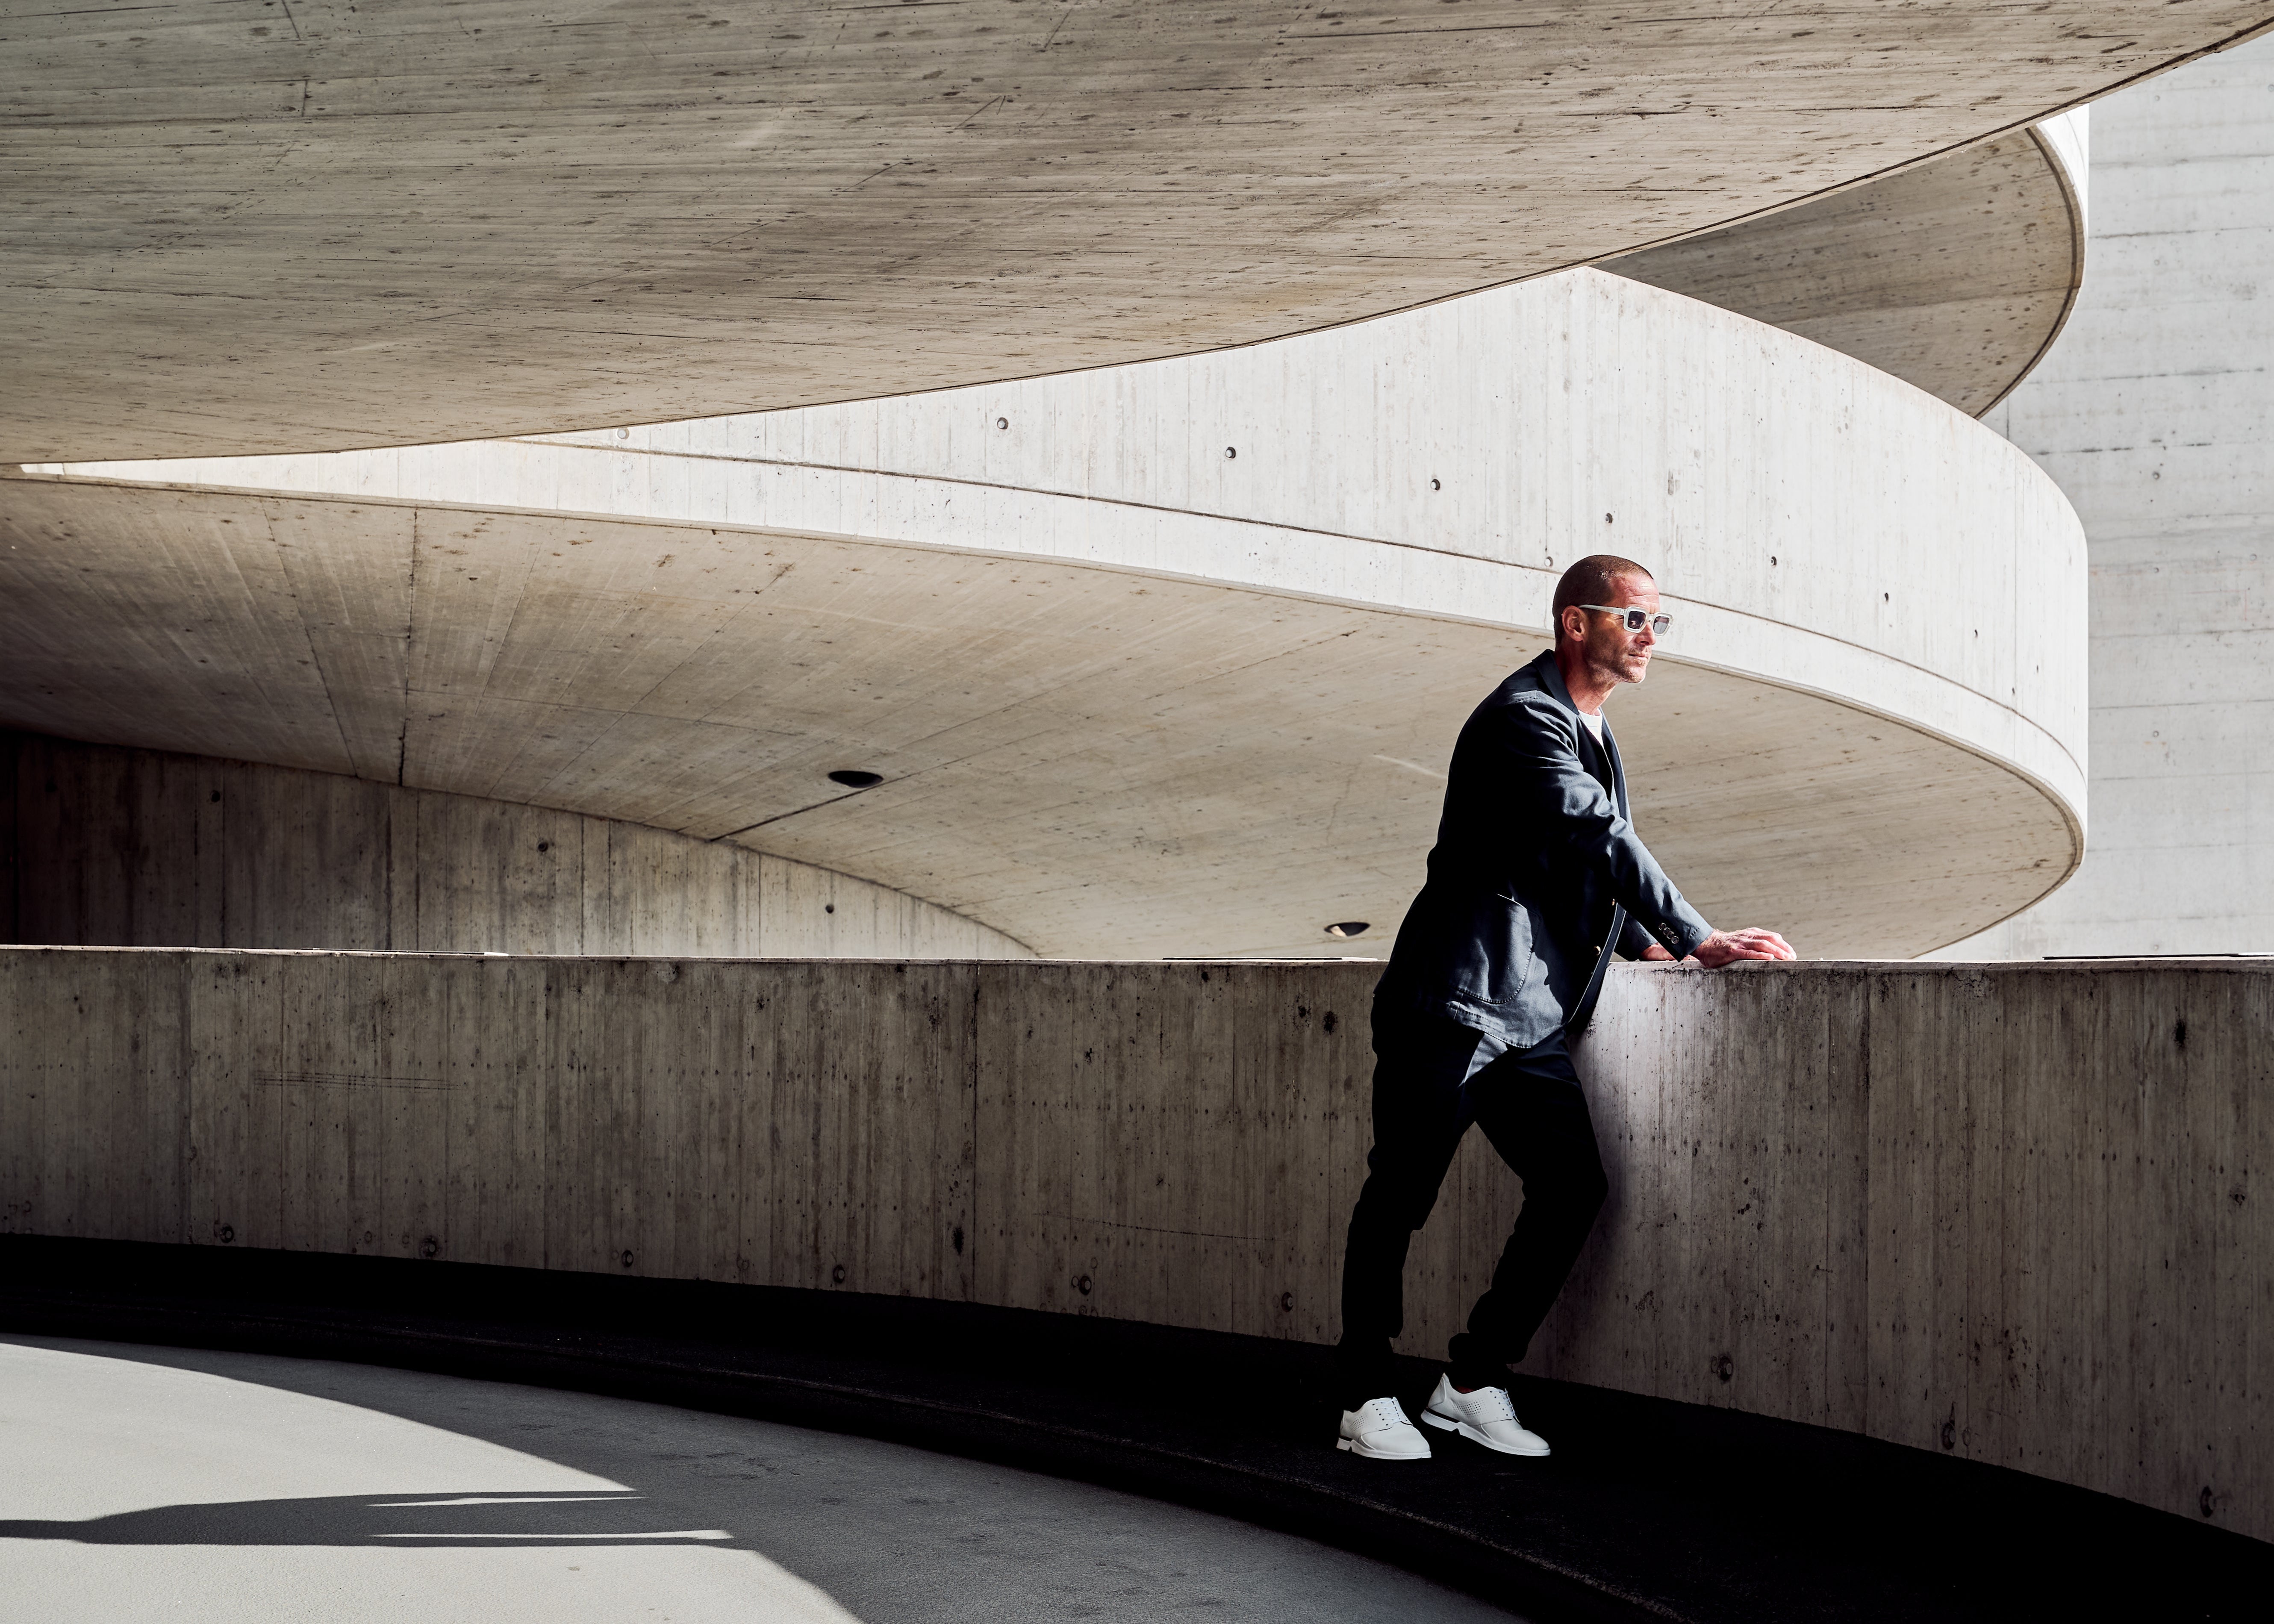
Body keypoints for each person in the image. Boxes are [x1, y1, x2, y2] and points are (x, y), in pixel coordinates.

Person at [1334, 553, 1793, 1462]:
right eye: (1632, 619)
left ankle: (1468, 1380)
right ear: (1573, 622)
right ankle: (1360, 1392)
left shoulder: (1590, 729)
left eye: (1658, 622)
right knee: (1399, 1195)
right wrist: (1695, 933)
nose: (1649, 638)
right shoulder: (1521, 719)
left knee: (1573, 1186)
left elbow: (1564, 866)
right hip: (1449, 1002)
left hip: (1525, 1019)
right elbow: (1594, 833)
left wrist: (1643, 946)